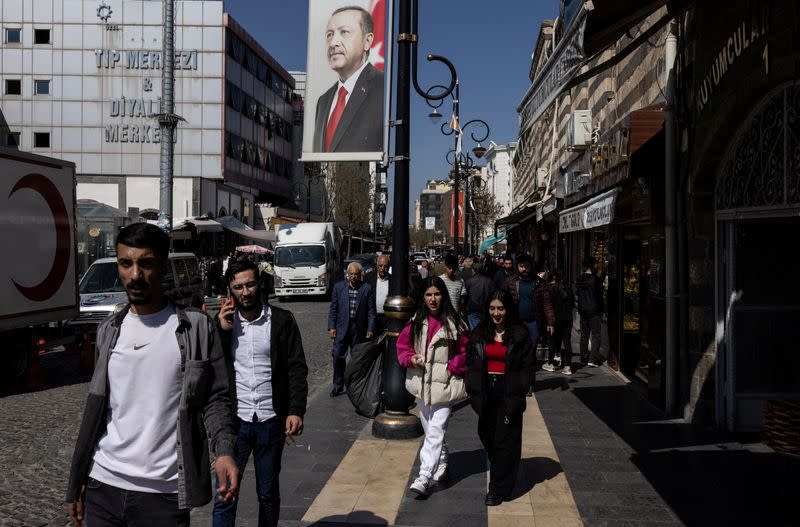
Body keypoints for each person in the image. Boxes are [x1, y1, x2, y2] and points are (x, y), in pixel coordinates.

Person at [66, 223, 238, 526]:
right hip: (103, 487)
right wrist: (77, 481)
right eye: (126, 263)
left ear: (162, 265)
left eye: (145, 263)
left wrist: (223, 451)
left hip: (164, 495)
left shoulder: (196, 328)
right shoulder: (108, 331)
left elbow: (217, 398)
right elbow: (95, 412)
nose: (135, 275)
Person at [213, 258, 308, 527]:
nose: (245, 292)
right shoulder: (224, 323)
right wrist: (220, 331)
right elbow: (213, 368)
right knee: (225, 494)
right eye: (238, 287)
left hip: (270, 421)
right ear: (230, 290)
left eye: (250, 285)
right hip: (235, 423)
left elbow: (297, 368)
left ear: (260, 284)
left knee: (267, 494)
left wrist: (295, 410)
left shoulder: (281, 321)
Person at [396, 277, 468, 498]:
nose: (433, 299)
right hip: (421, 384)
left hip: (445, 385)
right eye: (428, 295)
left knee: (436, 430)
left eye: (436, 294)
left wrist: (451, 367)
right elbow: (402, 346)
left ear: (443, 296)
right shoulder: (416, 321)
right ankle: (443, 459)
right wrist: (411, 359)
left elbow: (466, 352)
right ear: (423, 297)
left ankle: (424, 475)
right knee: (430, 430)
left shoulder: (456, 323)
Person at [465, 290, 534, 506]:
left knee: (505, 440)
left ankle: (497, 488)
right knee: (487, 434)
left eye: (501, 308)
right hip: (486, 391)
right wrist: (472, 386)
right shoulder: (479, 333)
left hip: (509, 390)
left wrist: (521, 387)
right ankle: (502, 472)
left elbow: (527, 366)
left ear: (508, 309)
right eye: (493, 308)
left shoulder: (519, 334)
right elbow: (471, 361)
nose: (496, 313)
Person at [313, 6, 383, 152]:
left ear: (367, 41)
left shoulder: (383, 87)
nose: (333, 43)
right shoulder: (323, 101)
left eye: (344, 32)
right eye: (329, 35)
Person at [327, 261, 376, 397]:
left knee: (357, 359)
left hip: (358, 328)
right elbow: (333, 309)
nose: (353, 276)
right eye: (351, 274)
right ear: (347, 274)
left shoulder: (366, 288)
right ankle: (338, 385)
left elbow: (371, 311)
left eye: (356, 274)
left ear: (360, 275)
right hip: (342, 328)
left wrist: (370, 328)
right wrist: (331, 327)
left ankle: (354, 386)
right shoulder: (338, 288)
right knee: (337, 357)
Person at [576, 256, 604, 366]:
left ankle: (583, 357)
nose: (597, 266)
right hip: (594, 309)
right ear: (592, 266)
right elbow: (599, 296)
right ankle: (592, 359)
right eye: (596, 264)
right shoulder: (595, 280)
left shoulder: (580, 278)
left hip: (583, 309)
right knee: (596, 334)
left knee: (584, 334)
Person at [547, 269, 575, 375]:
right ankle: (568, 366)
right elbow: (572, 304)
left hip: (555, 319)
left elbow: (549, 305)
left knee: (553, 341)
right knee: (567, 341)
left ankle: (551, 363)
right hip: (568, 319)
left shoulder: (552, 289)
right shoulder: (568, 289)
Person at [533, 269, 556, 370]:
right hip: (549, 318)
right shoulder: (557, 287)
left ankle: (547, 360)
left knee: (543, 339)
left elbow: (547, 305)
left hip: (544, 318)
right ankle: (550, 360)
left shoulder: (545, 288)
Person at [465, 262, 495, 330]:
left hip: (473, 310)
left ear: (474, 270)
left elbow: (465, 297)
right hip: (485, 310)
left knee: (474, 332)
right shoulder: (489, 281)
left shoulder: (469, 281)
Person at [366, 254, 391, 332]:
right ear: (377, 266)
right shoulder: (368, 278)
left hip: (387, 319)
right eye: (380, 266)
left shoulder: (393, 280)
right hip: (373, 318)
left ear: (389, 267)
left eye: (385, 266)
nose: (382, 268)